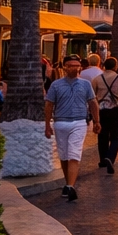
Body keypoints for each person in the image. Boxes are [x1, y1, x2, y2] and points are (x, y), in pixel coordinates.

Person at [44, 55, 99, 202]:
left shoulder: (85, 84)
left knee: (74, 154)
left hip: (79, 122)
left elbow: (93, 102)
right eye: (71, 65)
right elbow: (49, 105)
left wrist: (97, 121)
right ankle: (68, 184)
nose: (74, 68)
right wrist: (47, 125)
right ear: (65, 67)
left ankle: (70, 186)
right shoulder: (56, 85)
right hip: (60, 123)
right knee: (64, 155)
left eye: (77, 65)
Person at [91, 56, 118, 176]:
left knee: (102, 136)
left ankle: (103, 159)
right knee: (115, 136)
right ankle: (110, 157)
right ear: (115, 66)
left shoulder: (97, 79)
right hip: (116, 110)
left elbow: (93, 97)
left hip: (101, 111)